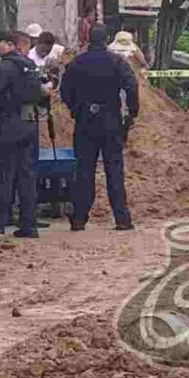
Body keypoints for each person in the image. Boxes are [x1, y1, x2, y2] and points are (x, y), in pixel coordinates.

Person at [60, 24, 139, 231]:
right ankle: (122, 219)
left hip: (85, 121)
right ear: (107, 40)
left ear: (88, 38)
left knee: (84, 170)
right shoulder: (116, 62)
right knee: (114, 169)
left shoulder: (77, 63)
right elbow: (131, 85)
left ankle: (79, 219)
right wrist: (132, 112)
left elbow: (64, 90)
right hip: (111, 120)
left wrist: (75, 109)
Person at [0, 30, 48, 239]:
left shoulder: (4, 67)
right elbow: (39, 93)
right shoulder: (28, 65)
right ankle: (29, 224)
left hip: (9, 124)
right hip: (29, 123)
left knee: (5, 174)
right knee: (26, 174)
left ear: (9, 44)